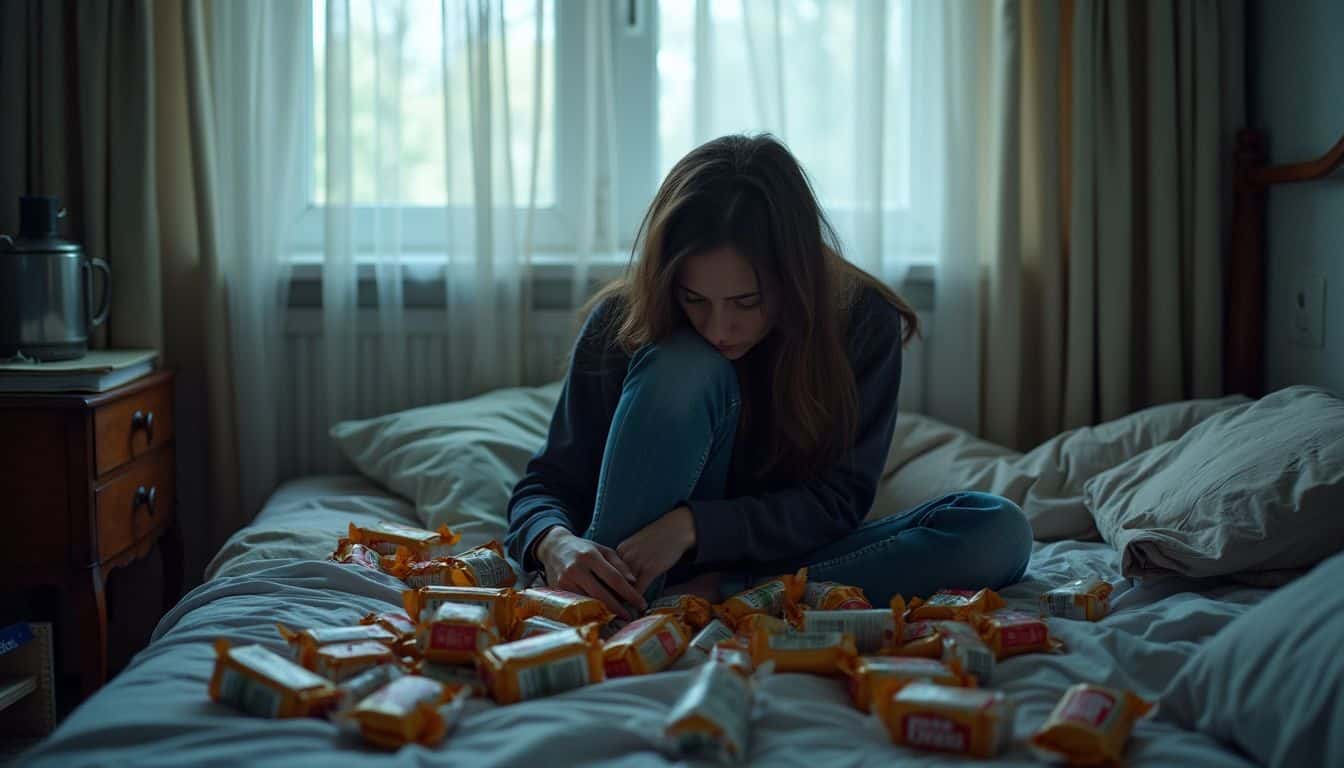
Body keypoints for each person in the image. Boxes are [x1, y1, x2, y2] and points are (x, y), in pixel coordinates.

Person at [504, 134, 1031, 620]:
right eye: (694, 300)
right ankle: (621, 601)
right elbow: (549, 482)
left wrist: (693, 528)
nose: (718, 328)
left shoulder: (861, 321)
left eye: (746, 302)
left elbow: (839, 500)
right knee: (683, 366)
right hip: (629, 554)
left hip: (777, 558)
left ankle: (720, 593)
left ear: (797, 280)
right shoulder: (623, 322)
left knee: (997, 531)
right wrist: (552, 542)